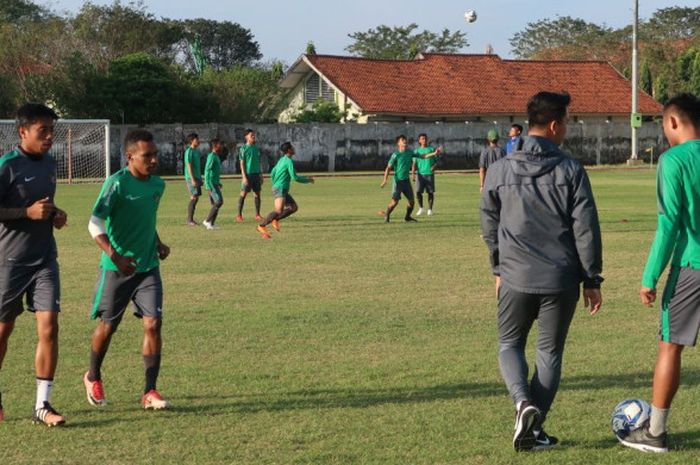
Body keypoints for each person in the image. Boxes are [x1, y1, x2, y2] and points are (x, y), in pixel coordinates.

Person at [480, 91, 603, 452]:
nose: (567, 128)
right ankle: (533, 426)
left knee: (509, 344)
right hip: (561, 279)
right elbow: (586, 229)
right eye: (566, 122)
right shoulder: (570, 169)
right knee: (549, 355)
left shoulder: (501, 168)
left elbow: (488, 221)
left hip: (515, 276)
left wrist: (498, 267)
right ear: (553, 125)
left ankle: (522, 405)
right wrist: (591, 279)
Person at [617, 94, 700, 454]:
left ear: (672, 123)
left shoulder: (673, 160)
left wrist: (650, 276)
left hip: (691, 267)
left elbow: (668, 224)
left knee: (670, 346)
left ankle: (655, 433)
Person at [83, 129, 171, 410]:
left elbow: (144, 219)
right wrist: (115, 255)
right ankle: (93, 375)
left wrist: (157, 242)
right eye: (148, 156)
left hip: (147, 267)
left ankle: (150, 391)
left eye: (155, 154)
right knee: (108, 327)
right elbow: (94, 223)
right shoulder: (116, 184)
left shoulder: (158, 185)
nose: (154, 160)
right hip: (116, 269)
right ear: (130, 156)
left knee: (153, 324)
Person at [0, 103, 68, 426]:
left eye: (52, 130)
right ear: (23, 131)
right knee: (3, 330)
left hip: (44, 260)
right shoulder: (7, 166)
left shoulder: (52, 163)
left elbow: (44, 204)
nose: (50, 137)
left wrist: (55, 214)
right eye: (44, 131)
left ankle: (43, 404)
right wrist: (25, 214)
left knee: (50, 326)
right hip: (10, 263)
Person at [256, 142, 314, 240]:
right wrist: (307, 179)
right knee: (278, 210)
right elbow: (294, 177)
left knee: (293, 207)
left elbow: (273, 172)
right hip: (280, 188)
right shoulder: (288, 161)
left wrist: (274, 183)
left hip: (280, 188)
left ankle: (276, 219)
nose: (294, 148)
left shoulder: (281, 160)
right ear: (289, 150)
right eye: (292, 147)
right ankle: (261, 226)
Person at [380, 135, 440, 223]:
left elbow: (423, 156)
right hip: (398, 181)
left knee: (412, 202)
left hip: (406, 181)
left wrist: (434, 153)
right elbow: (388, 168)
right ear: (398, 143)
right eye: (402, 140)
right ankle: (387, 215)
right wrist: (385, 180)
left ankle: (407, 217)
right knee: (395, 202)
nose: (405, 141)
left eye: (405, 140)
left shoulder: (410, 152)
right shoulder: (396, 155)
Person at [237, 129, 263, 222]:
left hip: (256, 174)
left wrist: (261, 174)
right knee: (243, 194)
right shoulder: (243, 148)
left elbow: (258, 162)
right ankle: (239, 215)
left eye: (254, 135)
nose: (253, 136)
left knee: (257, 194)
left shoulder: (256, 148)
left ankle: (257, 214)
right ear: (246, 137)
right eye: (251, 135)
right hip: (248, 174)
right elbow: (242, 163)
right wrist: (244, 176)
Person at [411, 133, 440, 216]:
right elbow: (414, 163)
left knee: (430, 192)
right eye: (422, 139)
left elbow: (436, 162)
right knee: (418, 192)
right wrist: (413, 174)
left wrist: (434, 166)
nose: (424, 140)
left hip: (429, 174)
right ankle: (421, 208)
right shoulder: (416, 151)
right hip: (420, 174)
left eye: (425, 138)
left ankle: (430, 209)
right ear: (419, 140)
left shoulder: (431, 149)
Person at [203, 138, 225, 230]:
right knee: (219, 201)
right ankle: (207, 220)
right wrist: (207, 184)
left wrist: (218, 182)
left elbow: (214, 172)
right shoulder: (211, 156)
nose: (222, 146)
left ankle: (211, 223)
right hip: (211, 183)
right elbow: (207, 171)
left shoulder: (216, 156)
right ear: (215, 146)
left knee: (215, 203)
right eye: (220, 144)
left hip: (215, 183)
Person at [183, 133, 202, 226]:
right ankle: (189, 220)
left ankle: (191, 219)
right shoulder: (189, 151)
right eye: (197, 139)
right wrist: (192, 179)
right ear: (192, 140)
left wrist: (199, 177)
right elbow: (189, 166)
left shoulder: (196, 151)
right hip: (191, 178)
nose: (198, 141)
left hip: (197, 177)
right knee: (194, 197)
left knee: (196, 197)